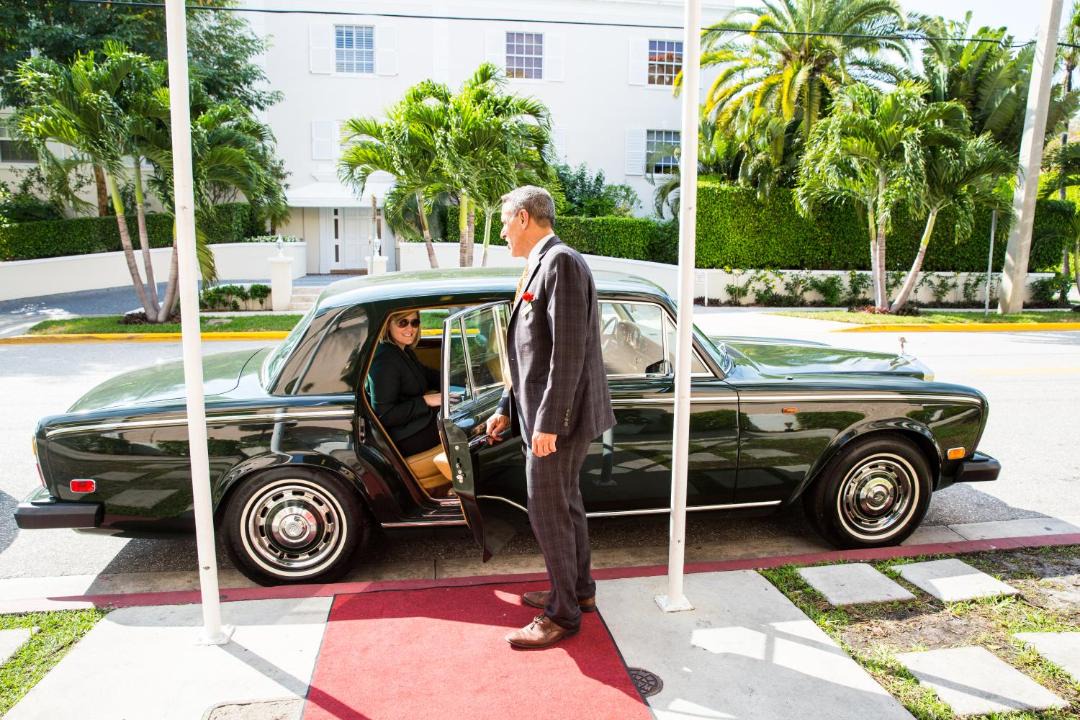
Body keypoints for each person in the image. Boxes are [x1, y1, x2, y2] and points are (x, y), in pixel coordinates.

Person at [485, 185, 615, 649]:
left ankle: (561, 615)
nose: (501, 232)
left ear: (523, 217)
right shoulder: (539, 264)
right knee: (566, 505)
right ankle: (577, 592)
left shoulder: (561, 262)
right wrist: (506, 408)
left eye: (504, 221)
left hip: (557, 419)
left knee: (547, 513)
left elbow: (568, 354)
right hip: (542, 413)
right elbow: (527, 355)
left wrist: (549, 425)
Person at [366, 309, 442, 458]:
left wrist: (457, 378)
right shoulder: (385, 360)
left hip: (416, 423)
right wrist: (425, 401)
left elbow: (426, 374)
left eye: (415, 323)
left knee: (459, 414)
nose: (410, 329)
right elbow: (385, 415)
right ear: (388, 326)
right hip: (403, 437)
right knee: (462, 426)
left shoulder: (402, 351)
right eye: (403, 323)